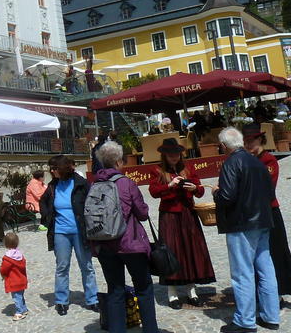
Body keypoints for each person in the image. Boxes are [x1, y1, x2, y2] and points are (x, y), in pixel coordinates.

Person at [213, 127, 280, 332]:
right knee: (266, 269)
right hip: (262, 221)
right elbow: (270, 193)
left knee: (243, 273)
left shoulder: (232, 163)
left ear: (224, 146)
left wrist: (216, 192)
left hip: (242, 224)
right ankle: (271, 316)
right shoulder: (257, 162)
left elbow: (227, 196)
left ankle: (245, 321)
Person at [90, 141, 160, 333]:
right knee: (144, 287)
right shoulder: (126, 183)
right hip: (130, 244)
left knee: (115, 290)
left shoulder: (94, 185)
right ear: (119, 161)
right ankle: (151, 330)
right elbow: (142, 214)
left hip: (104, 245)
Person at [148, 138, 215, 309]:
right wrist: (170, 185)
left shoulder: (188, 168)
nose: (174, 157)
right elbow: (154, 192)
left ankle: (191, 290)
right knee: (171, 252)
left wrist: (194, 189)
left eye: (176, 154)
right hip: (169, 216)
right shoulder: (157, 170)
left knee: (191, 250)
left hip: (188, 214)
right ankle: (172, 293)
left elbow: (200, 190)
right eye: (170, 155)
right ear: (164, 155)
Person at [243, 125, 291, 307]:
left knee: (276, 252)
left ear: (260, 140)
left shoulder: (268, 160)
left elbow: (267, 188)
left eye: (252, 140)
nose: (249, 144)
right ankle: (260, 291)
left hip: (269, 212)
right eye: (246, 141)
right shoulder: (245, 159)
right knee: (255, 255)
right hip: (251, 214)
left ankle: (279, 292)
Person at [39, 154, 99, 315]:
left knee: (86, 266)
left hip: (80, 232)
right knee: (62, 267)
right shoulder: (52, 186)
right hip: (60, 232)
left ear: (63, 168)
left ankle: (92, 299)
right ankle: (61, 300)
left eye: (55, 168)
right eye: (51, 169)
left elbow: (93, 202)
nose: (52, 171)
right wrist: (47, 217)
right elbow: (42, 202)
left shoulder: (81, 183)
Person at [0, 232, 29, 321]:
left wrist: (2, 274)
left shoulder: (8, 258)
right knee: (21, 295)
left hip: (14, 281)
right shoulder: (19, 255)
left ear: (5, 244)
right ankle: (24, 309)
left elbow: (4, 269)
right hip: (22, 279)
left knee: (16, 297)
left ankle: (19, 312)